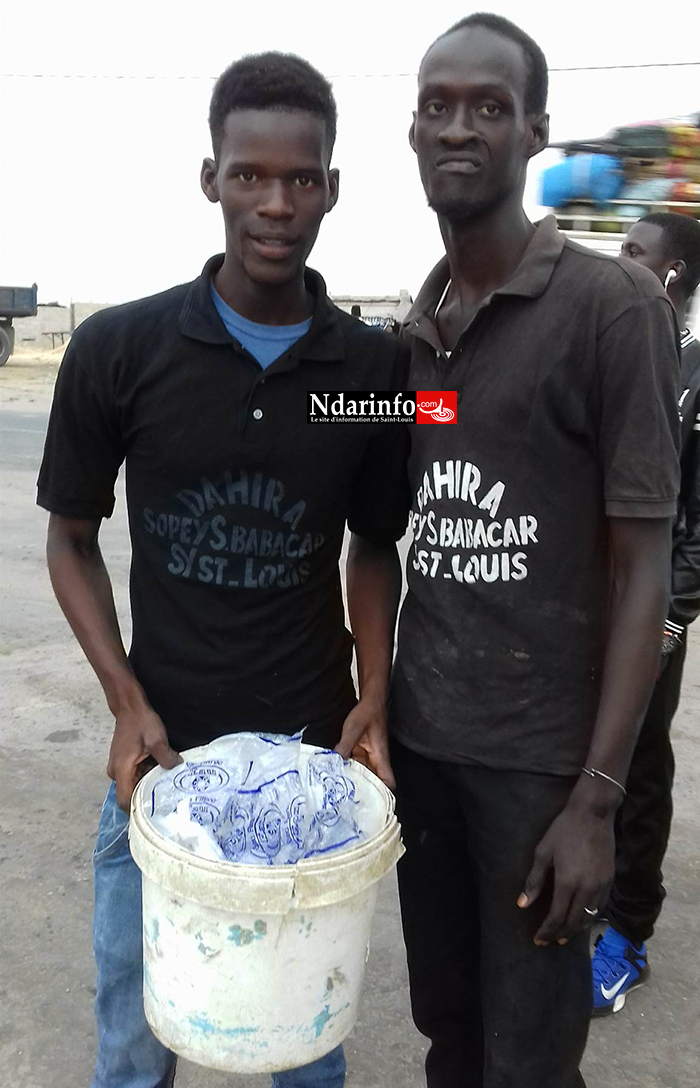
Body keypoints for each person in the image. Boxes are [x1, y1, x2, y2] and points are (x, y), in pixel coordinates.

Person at [37, 52, 408, 1088]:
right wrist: (123, 700)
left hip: (309, 763)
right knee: (133, 1025)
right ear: (212, 178)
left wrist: (374, 693)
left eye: (300, 179)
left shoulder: (367, 374)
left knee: (303, 1035)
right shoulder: (122, 348)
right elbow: (69, 537)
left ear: (331, 187)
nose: (275, 204)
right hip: (160, 761)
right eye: (250, 175)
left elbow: (373, 545)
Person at [389, 14, 680, 1088]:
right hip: (426, 750)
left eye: (489, 107)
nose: (459, 128)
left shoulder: (612, 311)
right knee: (449, 1036)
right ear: (411, 134)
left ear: (533, 133)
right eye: (437, 107)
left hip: (541, 772)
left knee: (530, 1061)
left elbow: (639, 570)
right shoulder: (419, 327)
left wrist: (596, 800)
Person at [591, 212, 700, 1014]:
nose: (618, 260)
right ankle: (585, 906)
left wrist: (671, 613)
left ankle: (627, 938)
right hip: (586, 605)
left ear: (672, 276)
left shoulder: (695, 372)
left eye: (633, 251)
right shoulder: (615, 349)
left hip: (652, 612)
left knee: (637, 769)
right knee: (584, 757)